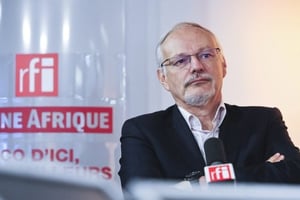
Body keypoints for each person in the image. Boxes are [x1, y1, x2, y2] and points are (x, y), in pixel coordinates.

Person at [118, 22, 300, 189]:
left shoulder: (263, 121)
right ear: (163, 78)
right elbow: (140, 193)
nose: (196, 66)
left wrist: (203, 183)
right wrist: (258, 173)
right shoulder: (143, 131)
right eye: (180, 61)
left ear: (223, 65)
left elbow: (295, 173)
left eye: (205, 55)